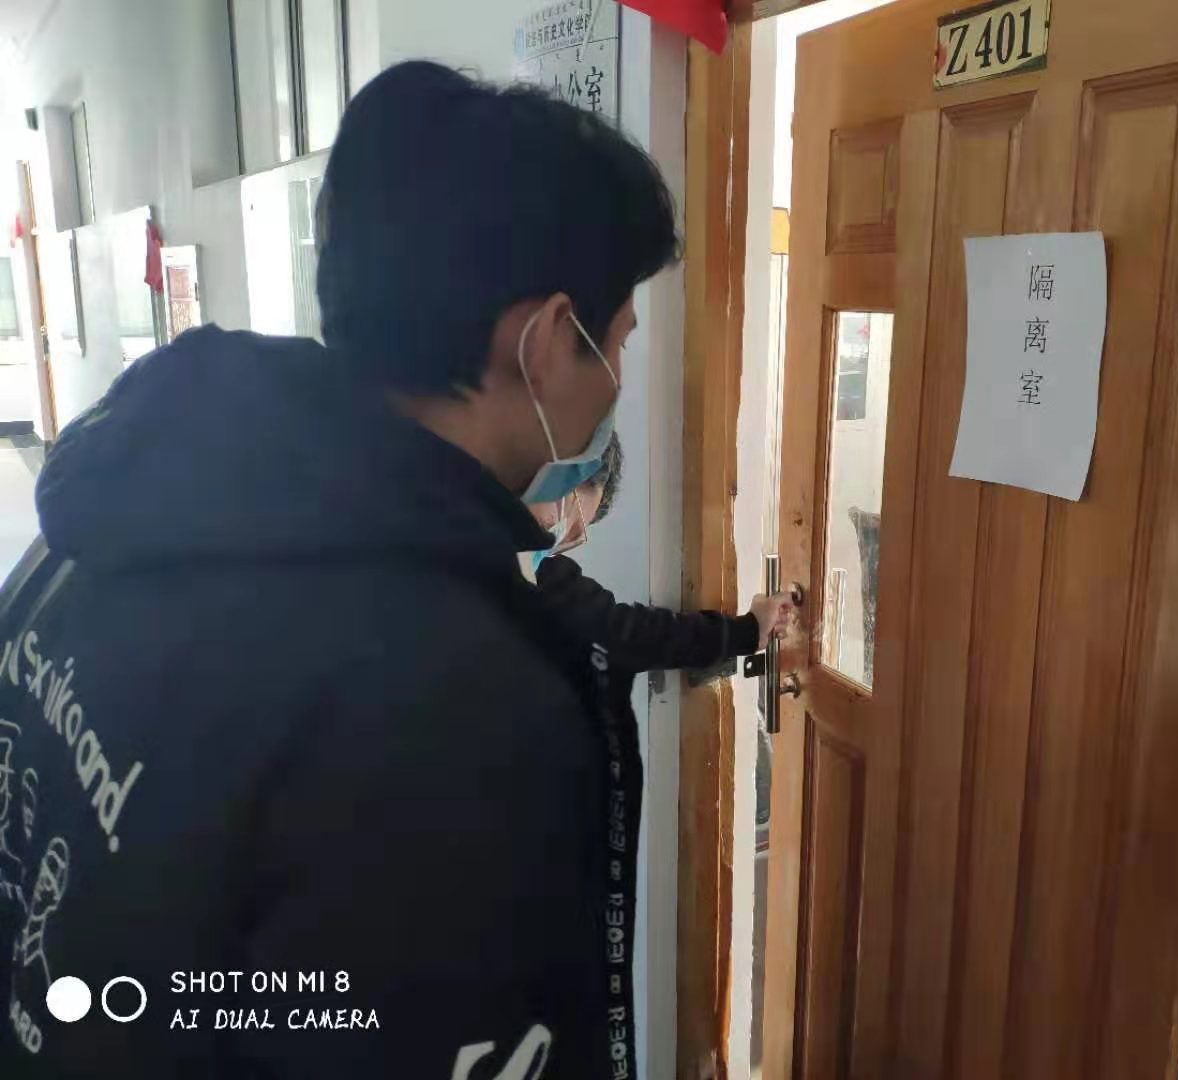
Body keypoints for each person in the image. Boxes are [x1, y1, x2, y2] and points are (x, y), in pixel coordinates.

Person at [0, 61, 676, 1078]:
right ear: (543, 343)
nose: (618, 379)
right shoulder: (453, 704)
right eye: (615, 343)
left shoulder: (111, 512)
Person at [527, 435, 793, 673]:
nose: (553, 535)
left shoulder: (538, 573)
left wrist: (747, 632)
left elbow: (627, 636)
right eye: (566, 519)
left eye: (571, 535)